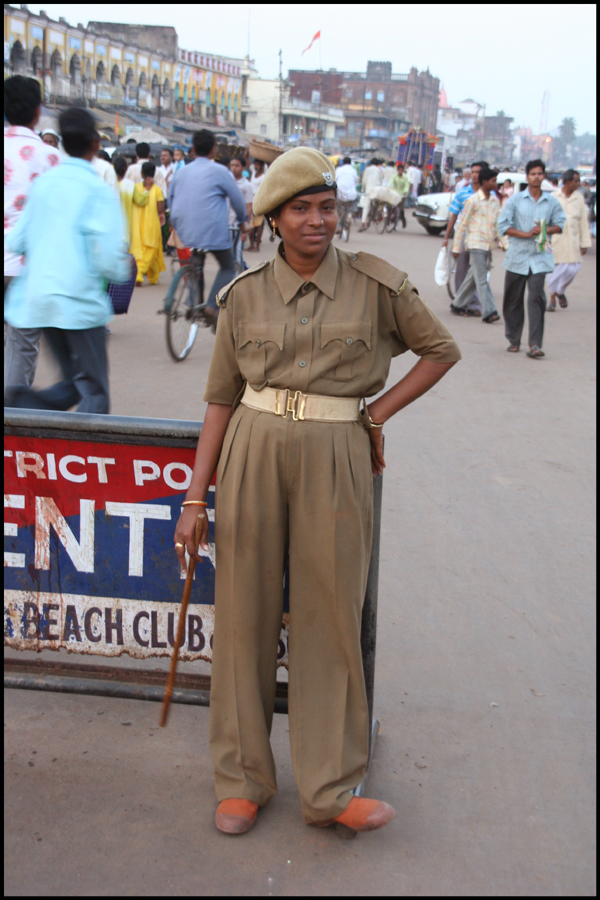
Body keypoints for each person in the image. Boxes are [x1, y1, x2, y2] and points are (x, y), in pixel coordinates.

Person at [172, 146, 461, 837]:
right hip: (251, 454)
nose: (316, 221)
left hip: (337, 459)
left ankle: (330, 787)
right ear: (272, 219)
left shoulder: (377, 285)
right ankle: (241, 779)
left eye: (326, 206)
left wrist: (376, 414)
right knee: (243, 613)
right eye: (299, 209)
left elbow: (440, 351)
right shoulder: (241, 296)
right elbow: (219, 399)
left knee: (331, 618)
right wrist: (193, 497)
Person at [4, 106, 130, 413]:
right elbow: (110, 261)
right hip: (79, 304)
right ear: (95, 145)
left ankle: (20, 402)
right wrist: (121, 269)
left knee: (74, 385)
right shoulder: (97, 190)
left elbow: (16, 240)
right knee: (94, 394)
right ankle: (19, 405)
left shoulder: (44, 184)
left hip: (39, 301)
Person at [4, 74, 61, 402]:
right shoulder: (49, 157)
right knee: (22, 345)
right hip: (26, 266)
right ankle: (11, 421)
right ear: (38, 112)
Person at [168, 128, 247, 327]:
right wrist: (243, 221)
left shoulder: (181, 172)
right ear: (213, 151)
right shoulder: (220, 171)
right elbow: (238, 200)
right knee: (228, 266)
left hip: (184, 228)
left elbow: (170, 200)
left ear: (193, 149)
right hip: (212, 230)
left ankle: (194, 300)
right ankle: (212, 305)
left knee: (196, 258)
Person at [497, 159, 565, 358]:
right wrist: (524, 234)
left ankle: (535, 344)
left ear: (543, 176)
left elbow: (560, 224)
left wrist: (544, 229)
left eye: (539, 174)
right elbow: (503, 225)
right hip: (517, 257)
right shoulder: (516, 200)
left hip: (540, 258)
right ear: (528, 177)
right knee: (513, 300)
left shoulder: (551, 202)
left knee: (536, 299)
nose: (536, 177)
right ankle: (513, 339)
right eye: (533, 174)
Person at [450, 167, 507, 322]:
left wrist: (505, 243)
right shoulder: (472, 201)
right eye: (493, 181)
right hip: (475, 244)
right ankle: (489, 311)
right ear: (484, 182)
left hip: (487, 244)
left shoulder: (495, 201)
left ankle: (458, 303)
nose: (496, 183)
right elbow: (462, 225)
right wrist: (456, 248)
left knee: (473, 276)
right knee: (481, 278)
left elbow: (498, 224)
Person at [442, 161, 488, 316]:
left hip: (481, 239)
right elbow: (454, 216)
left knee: (477, 273)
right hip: (463, 237)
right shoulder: (462, 193)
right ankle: (463, 303)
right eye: (473, 171)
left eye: (478, 172)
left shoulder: (490, 194)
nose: (475, 175)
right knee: (461, 271)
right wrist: (447, 237)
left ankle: (470, 303)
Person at [546, 169, 591, 310]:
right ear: (567, 182)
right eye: (576, 181)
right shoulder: (554, 197)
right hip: (556, 240)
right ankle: (552, 299)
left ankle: (560, 291)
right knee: (554, 272)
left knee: (573, 269)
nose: (578, 184)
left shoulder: (579, 198)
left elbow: (583, 221)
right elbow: (545, 219)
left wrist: (584, 243)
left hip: (572, 240)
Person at [130, 161, 166, 287]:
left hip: (138, 224)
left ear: (141, 174)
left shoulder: (136, 188)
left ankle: (153, 277)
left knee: (142, 252)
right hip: (151, 225)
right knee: (152, 250)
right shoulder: (157, 190)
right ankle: (139, 274)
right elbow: (160, 208)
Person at [113, 154, 148, 246]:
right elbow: (140, 201)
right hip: (125, 231)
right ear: (125, 169)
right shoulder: (129, 185)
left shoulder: (109, 184)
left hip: (111, 232)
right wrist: (146, 191)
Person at [229, 156, 253, 269]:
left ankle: (238, 280)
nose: (234, 168)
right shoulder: (227, 182)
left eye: (237, 165)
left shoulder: (246, 185)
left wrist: (245, 230)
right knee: (230, 256)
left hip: (238, 226)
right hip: (227, 224)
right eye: (232, 165)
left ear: (243, 168)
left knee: (237, 255)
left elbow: (249, 207)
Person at [335, 156, 359, 231]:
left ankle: (338, 225)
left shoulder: (338, 170)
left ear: (343, 163)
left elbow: (334, 181)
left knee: (337, 208)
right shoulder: (354, 171)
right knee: (358, 197)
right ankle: (353, 211)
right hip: (351, 195)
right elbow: (356, 183)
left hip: (340, 195)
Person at [358, 158, 383, 231]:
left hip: (369, 190)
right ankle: (377, 216)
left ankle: (363, 223)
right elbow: (381, 180)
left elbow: (364, 180)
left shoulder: (367, 169)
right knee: (377, 204)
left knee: (366, 207)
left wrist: (363, 188)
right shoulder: (379, 170)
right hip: (377, 190)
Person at [248, 159, 267, 251]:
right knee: (251, 224)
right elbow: (247, 159)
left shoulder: (263, 177)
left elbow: (263, 190)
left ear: (262, 166)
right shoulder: (253, 172)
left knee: (258, 224)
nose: (256, 166)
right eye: (255, 164)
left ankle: (257, 247)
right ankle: (252, 245)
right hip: (250, 201)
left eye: (258, 164)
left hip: (258, 201)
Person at [388, 162, 409, 228]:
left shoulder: (405, 177)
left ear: (403, 171)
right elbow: (390, 182)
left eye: (401, 170)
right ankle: (388, 220)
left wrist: (405, 191)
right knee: (390, 207)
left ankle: (402, 220)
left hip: (402, 195)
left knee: (400, 209)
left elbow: (406, 185)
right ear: (397, 170)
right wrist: (389, 188)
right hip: (395, 194)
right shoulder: (394, 176)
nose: (400, 171)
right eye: (399, 170)